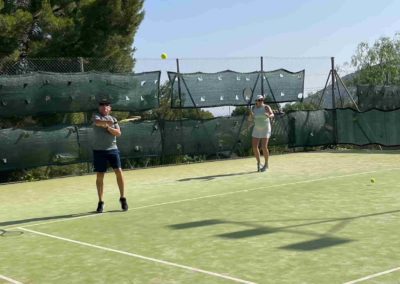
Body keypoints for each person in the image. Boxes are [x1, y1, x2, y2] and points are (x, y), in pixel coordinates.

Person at [92, 99, 128, 213]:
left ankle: (122, 198)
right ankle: (101, 202)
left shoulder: (114, 119)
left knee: (119, 171)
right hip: (99, 151)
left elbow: (118, 133)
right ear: (99, 108)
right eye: (101, 105)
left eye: (106, 105)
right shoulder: (95, 116)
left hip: (113, 150)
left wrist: (108, 127)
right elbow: (98, 123)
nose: (104, 107)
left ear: (109, 108)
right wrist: (106, 124)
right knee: (100, 176)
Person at [249, 95, 274, 172]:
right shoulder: (253, 108)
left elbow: (272, 114)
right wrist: (251, 116)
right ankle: (259, 163)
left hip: (266, 128)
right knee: (254, 147)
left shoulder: (266, 107)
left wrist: (269, 115)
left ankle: (266, 165)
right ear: (256, 101)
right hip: (257, 128)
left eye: (262, 100)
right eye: (259, 100)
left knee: (264, 146)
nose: (261, 101)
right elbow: (250, 119)